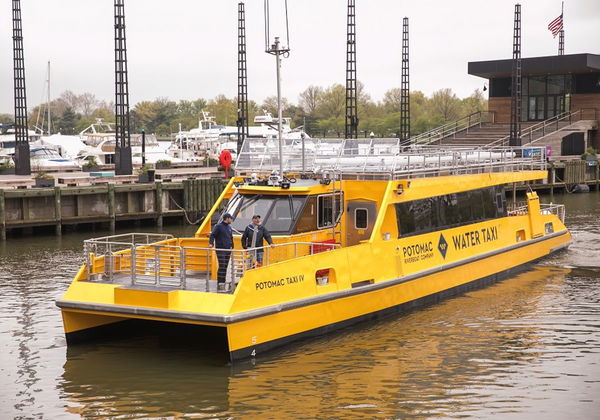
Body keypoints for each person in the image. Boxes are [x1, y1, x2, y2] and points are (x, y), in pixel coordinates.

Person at [209, 213, 234, 292]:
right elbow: (212, 235)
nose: (231, 220)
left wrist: (232, 246)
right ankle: (220, 282)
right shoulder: (218, 226)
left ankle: (223, 280)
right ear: (227, 218)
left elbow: (231, 237)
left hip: (228, 250)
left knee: (225, 266)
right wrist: (211, 243)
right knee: (222, 265)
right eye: (231, 218)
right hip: (220, 249)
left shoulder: (229, 227)